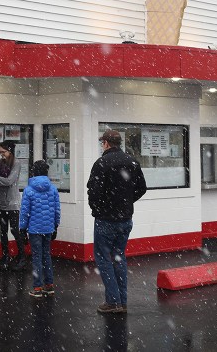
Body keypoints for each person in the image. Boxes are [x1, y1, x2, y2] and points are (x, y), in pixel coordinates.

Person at [87, 129, 147, 314]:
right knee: (119, 258)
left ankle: (113, 302)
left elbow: (93, 191)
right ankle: (122, 300)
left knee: (104, 260)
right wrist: (126, 202)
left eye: (102, 142)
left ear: (106, 143)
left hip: (106, 219)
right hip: (125, 219)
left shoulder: (101, 163)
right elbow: (142, 188)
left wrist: (98, 208)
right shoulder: (132, 161)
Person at [19, 160, 60, 298]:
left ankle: (37, 287)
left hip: (34, 229)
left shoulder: (28, 190)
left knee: (37, 256)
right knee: (46, 255)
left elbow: (25, 211)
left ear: (33, 172)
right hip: (48, 228)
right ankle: (49, 285)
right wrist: (55, 225)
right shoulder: (53, 189)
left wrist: (22, 229)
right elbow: (56, 210)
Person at [0, 140, 27, 270]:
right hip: (1, 202)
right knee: (3, 231)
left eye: (3, 152)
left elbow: (9, 181)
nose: (1, 155)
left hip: (12, 203)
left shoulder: (16, 163)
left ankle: (22, 257)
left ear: (10, 151)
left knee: (14, 230)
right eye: (0, 152)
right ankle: (5, 256)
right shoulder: (2, 162)